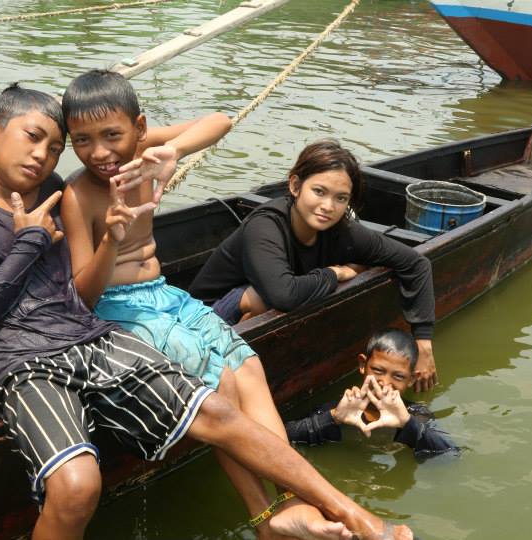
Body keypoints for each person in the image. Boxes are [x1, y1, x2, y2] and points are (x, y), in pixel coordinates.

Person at [0, 83, 413, 540]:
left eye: (53, 146)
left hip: (88, 336)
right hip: (22, 359)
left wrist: (158, 163)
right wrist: (30, 239)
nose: (42, 155)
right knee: (77, 485)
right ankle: (276, 513)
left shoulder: (53, 185)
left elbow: (188, 129)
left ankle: (348, 512)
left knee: (218, 405)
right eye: (34, 138)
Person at [58, 69, 335, 538]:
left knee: (248, 366)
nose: (100, 152)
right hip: (117, 309)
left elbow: (221, 120)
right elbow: (82, 295)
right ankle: (265, 516)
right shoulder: (78, 194)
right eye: (82, 140)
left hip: (163, 294)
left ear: (139, 128)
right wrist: (112, 237)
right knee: (221, 385)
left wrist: (175, 150)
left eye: (112, 135)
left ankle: (296, 500)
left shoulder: (147, 154)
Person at [189, 140, 439, 392]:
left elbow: (415, 263)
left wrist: (423, 343)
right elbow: (284, 295)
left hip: (264, 311)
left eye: (341, 198)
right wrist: (335, 273)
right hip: (201, 319)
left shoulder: (342, 231)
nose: (328, 207)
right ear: (295, 185)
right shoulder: (266, 226)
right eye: (319, 191)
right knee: (264, 297)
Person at [286, 329, 456, 456]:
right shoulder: (341, 408)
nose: (385, 383)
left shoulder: (415, 415)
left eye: (398, 376)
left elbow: (451, 454)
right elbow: (282, 435)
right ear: (362, 365)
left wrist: (407, 424)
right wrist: (333, 418)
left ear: (412, 379)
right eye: (378, 370)